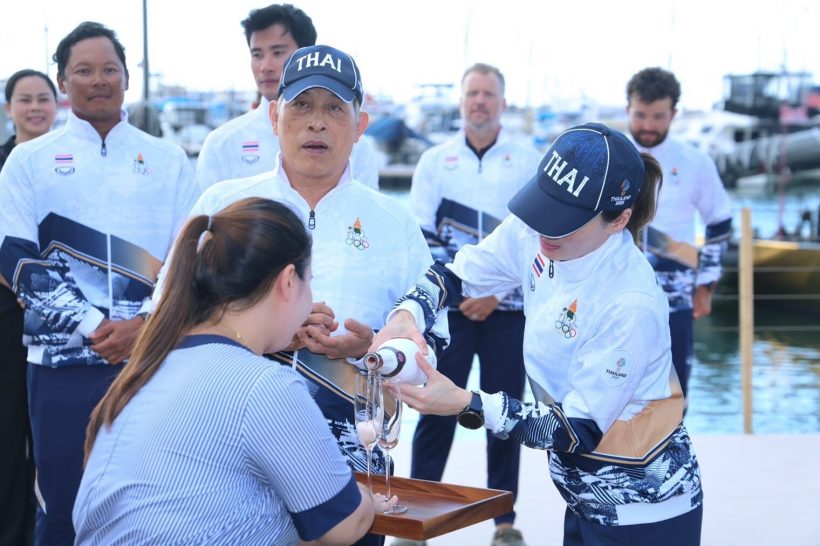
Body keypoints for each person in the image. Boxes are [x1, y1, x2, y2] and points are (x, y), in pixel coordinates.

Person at [155, 44, 447, 546]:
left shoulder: (395, 224)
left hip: (353, 476)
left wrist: (370, 350)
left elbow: (432, 354)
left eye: (334, 108)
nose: (317, 123)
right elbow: (160, 324)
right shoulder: (223, 207)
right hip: (224, 465)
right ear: (274, 116)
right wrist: (258, 334)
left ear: (360, 125)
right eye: (302, 106)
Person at [374, 123, 704, 546]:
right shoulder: (537, 229)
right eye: (545, 206)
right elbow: (457, 274)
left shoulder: (629, 301)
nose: (546, 229)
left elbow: (573, 432)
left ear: (619, 220)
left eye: (566, 220)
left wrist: (465, 402)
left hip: (645, 511)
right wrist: (408, 313)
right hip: (583, 497)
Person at [73, 197, 393, 545]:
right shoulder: (266, 385)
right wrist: (365, 500)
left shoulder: (148, 368)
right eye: (309, 281)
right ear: (288, 281)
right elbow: (342, 525)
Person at [0, 22, 200, 546]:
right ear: (63, 82)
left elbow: (190, 258)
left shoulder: (169, 160)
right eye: (83, 71)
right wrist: (94, 325)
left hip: (152, 363)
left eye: (109, 68)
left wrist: (146, 324)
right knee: (63, 512)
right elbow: (16, 257)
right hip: (59, 367)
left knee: (153, 507)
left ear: (128, 78)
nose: (98, 80)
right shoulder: (27, 161)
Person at [398, 63, 540, 546]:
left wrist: (496, 291)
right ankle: (415, 519)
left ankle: (505, 522)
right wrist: (464, 293)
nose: (480, 101)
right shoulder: (435, 162)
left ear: (503, 102)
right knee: (434, 413)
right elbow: (424, 241)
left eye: (489, 94)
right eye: (472, 94)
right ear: (461, 102)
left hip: (509, 314)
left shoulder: (527, 161)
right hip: (450, 316)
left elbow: (538, 240)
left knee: (503, 418)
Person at [625, 67, 732, 399]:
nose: (647, 126)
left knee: (673, 397)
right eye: (640, 115)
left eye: (658, 116)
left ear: (673, 113)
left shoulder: (695, 162)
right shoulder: (606, 156)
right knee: (608, 397)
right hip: (608, 296)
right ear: (627, 108)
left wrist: (707, 285)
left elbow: (720, 222)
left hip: (674, 299)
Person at [195, 3, 379, 191]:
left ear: (308, 54)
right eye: (257, 54)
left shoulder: (355, 147)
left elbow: (366, 213)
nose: (266, 66)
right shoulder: (222, 144)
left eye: (278, 52)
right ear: (274, 116)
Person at [0, 68, 58, 546]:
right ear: (8, 108)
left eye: (44, 98)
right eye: (25, 99)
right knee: (8, 429)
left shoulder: (62, 163)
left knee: (51, 437)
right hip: (9, 313)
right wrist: (22, 283)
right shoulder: (4, 162)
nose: (35, 107)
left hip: (64, 322)